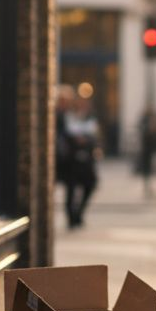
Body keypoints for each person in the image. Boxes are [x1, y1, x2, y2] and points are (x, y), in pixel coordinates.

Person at [62, 92, 101, 228]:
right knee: (71, 190)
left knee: (90, 185)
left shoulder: (90, 118)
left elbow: (94, 135)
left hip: (86, 160)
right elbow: (66, 134)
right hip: (71, 161)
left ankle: (78, 213)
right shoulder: (68, 117)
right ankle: (72, 217)